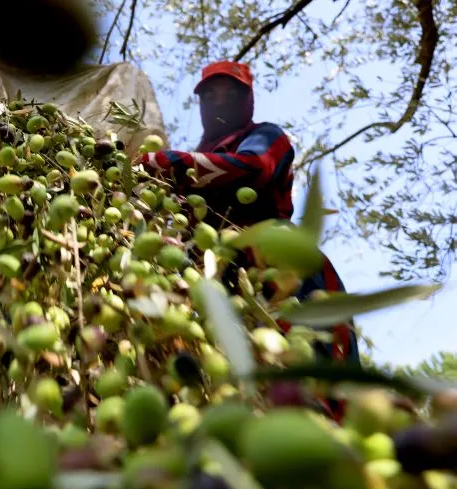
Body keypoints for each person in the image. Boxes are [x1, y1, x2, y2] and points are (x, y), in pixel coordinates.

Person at [138, 61, 360, 406]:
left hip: (280, 265)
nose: (218, 101)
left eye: (230, 93)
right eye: (209, 95)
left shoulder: (266, 136)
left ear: (248, 100)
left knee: (314, 372)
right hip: (224, 285)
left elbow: (253, 170)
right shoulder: (187, 167)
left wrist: (164, 164)